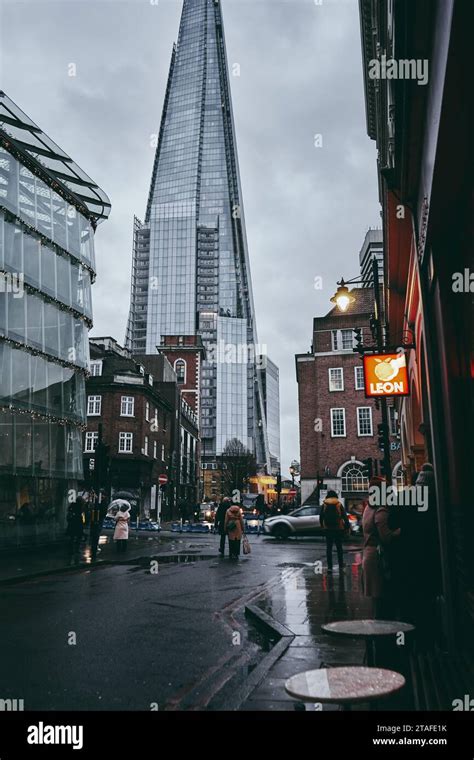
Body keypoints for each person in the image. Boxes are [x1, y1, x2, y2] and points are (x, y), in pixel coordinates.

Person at [361, 476, 400, 618]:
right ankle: (382, 634)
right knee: (382, 600)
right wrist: (401, 531)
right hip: (378, 558)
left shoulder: (368, 508)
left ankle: (376, 634)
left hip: (369, 555)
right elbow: (386, 537)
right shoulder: (381, 510)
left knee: (377, 601)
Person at [320, 490, 350, 573]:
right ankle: (340, 565)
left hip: (328, 529)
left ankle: (330, 567)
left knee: (329, 548)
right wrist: (347, 526)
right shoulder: (339, 504)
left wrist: (322, 526)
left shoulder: (324, 504)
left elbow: (321, 516)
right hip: (338, 528)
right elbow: (344, 516)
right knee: (339, 548)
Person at [66, 497, 85, 562]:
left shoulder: (72, 505)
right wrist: (84, 523)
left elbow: (69, 512)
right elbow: (83, 517)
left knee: (72, 538)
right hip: (79, 525)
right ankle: (77, 549)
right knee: (78, 538)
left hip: (72, 524)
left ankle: (71, 550)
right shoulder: (81, 508)